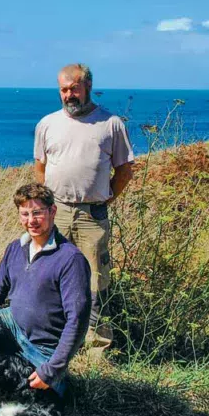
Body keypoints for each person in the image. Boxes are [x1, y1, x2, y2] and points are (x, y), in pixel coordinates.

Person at [34, 63, 134, 353]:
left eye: (73, 88)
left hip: (93, 215)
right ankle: (55, 343)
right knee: (51, 276)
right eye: (63, 90)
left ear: (87, 86)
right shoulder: (47, 124)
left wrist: (104, 200)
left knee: (96, 282)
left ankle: (97, 349)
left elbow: (124, 172)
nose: (69, 95)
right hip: (56, 213)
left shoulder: (111, 124)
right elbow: (40, 168)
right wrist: (48, 204)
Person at [0, 183, 92, 395]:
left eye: (37, 213)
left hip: (44, 349)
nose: (31, 221)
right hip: (12, 327)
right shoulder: (15, 248)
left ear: (52, 211)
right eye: (25, 214)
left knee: (31, 396)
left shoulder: (70, 259)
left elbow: (78, 320)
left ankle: (57, 379)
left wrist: (52, 370)